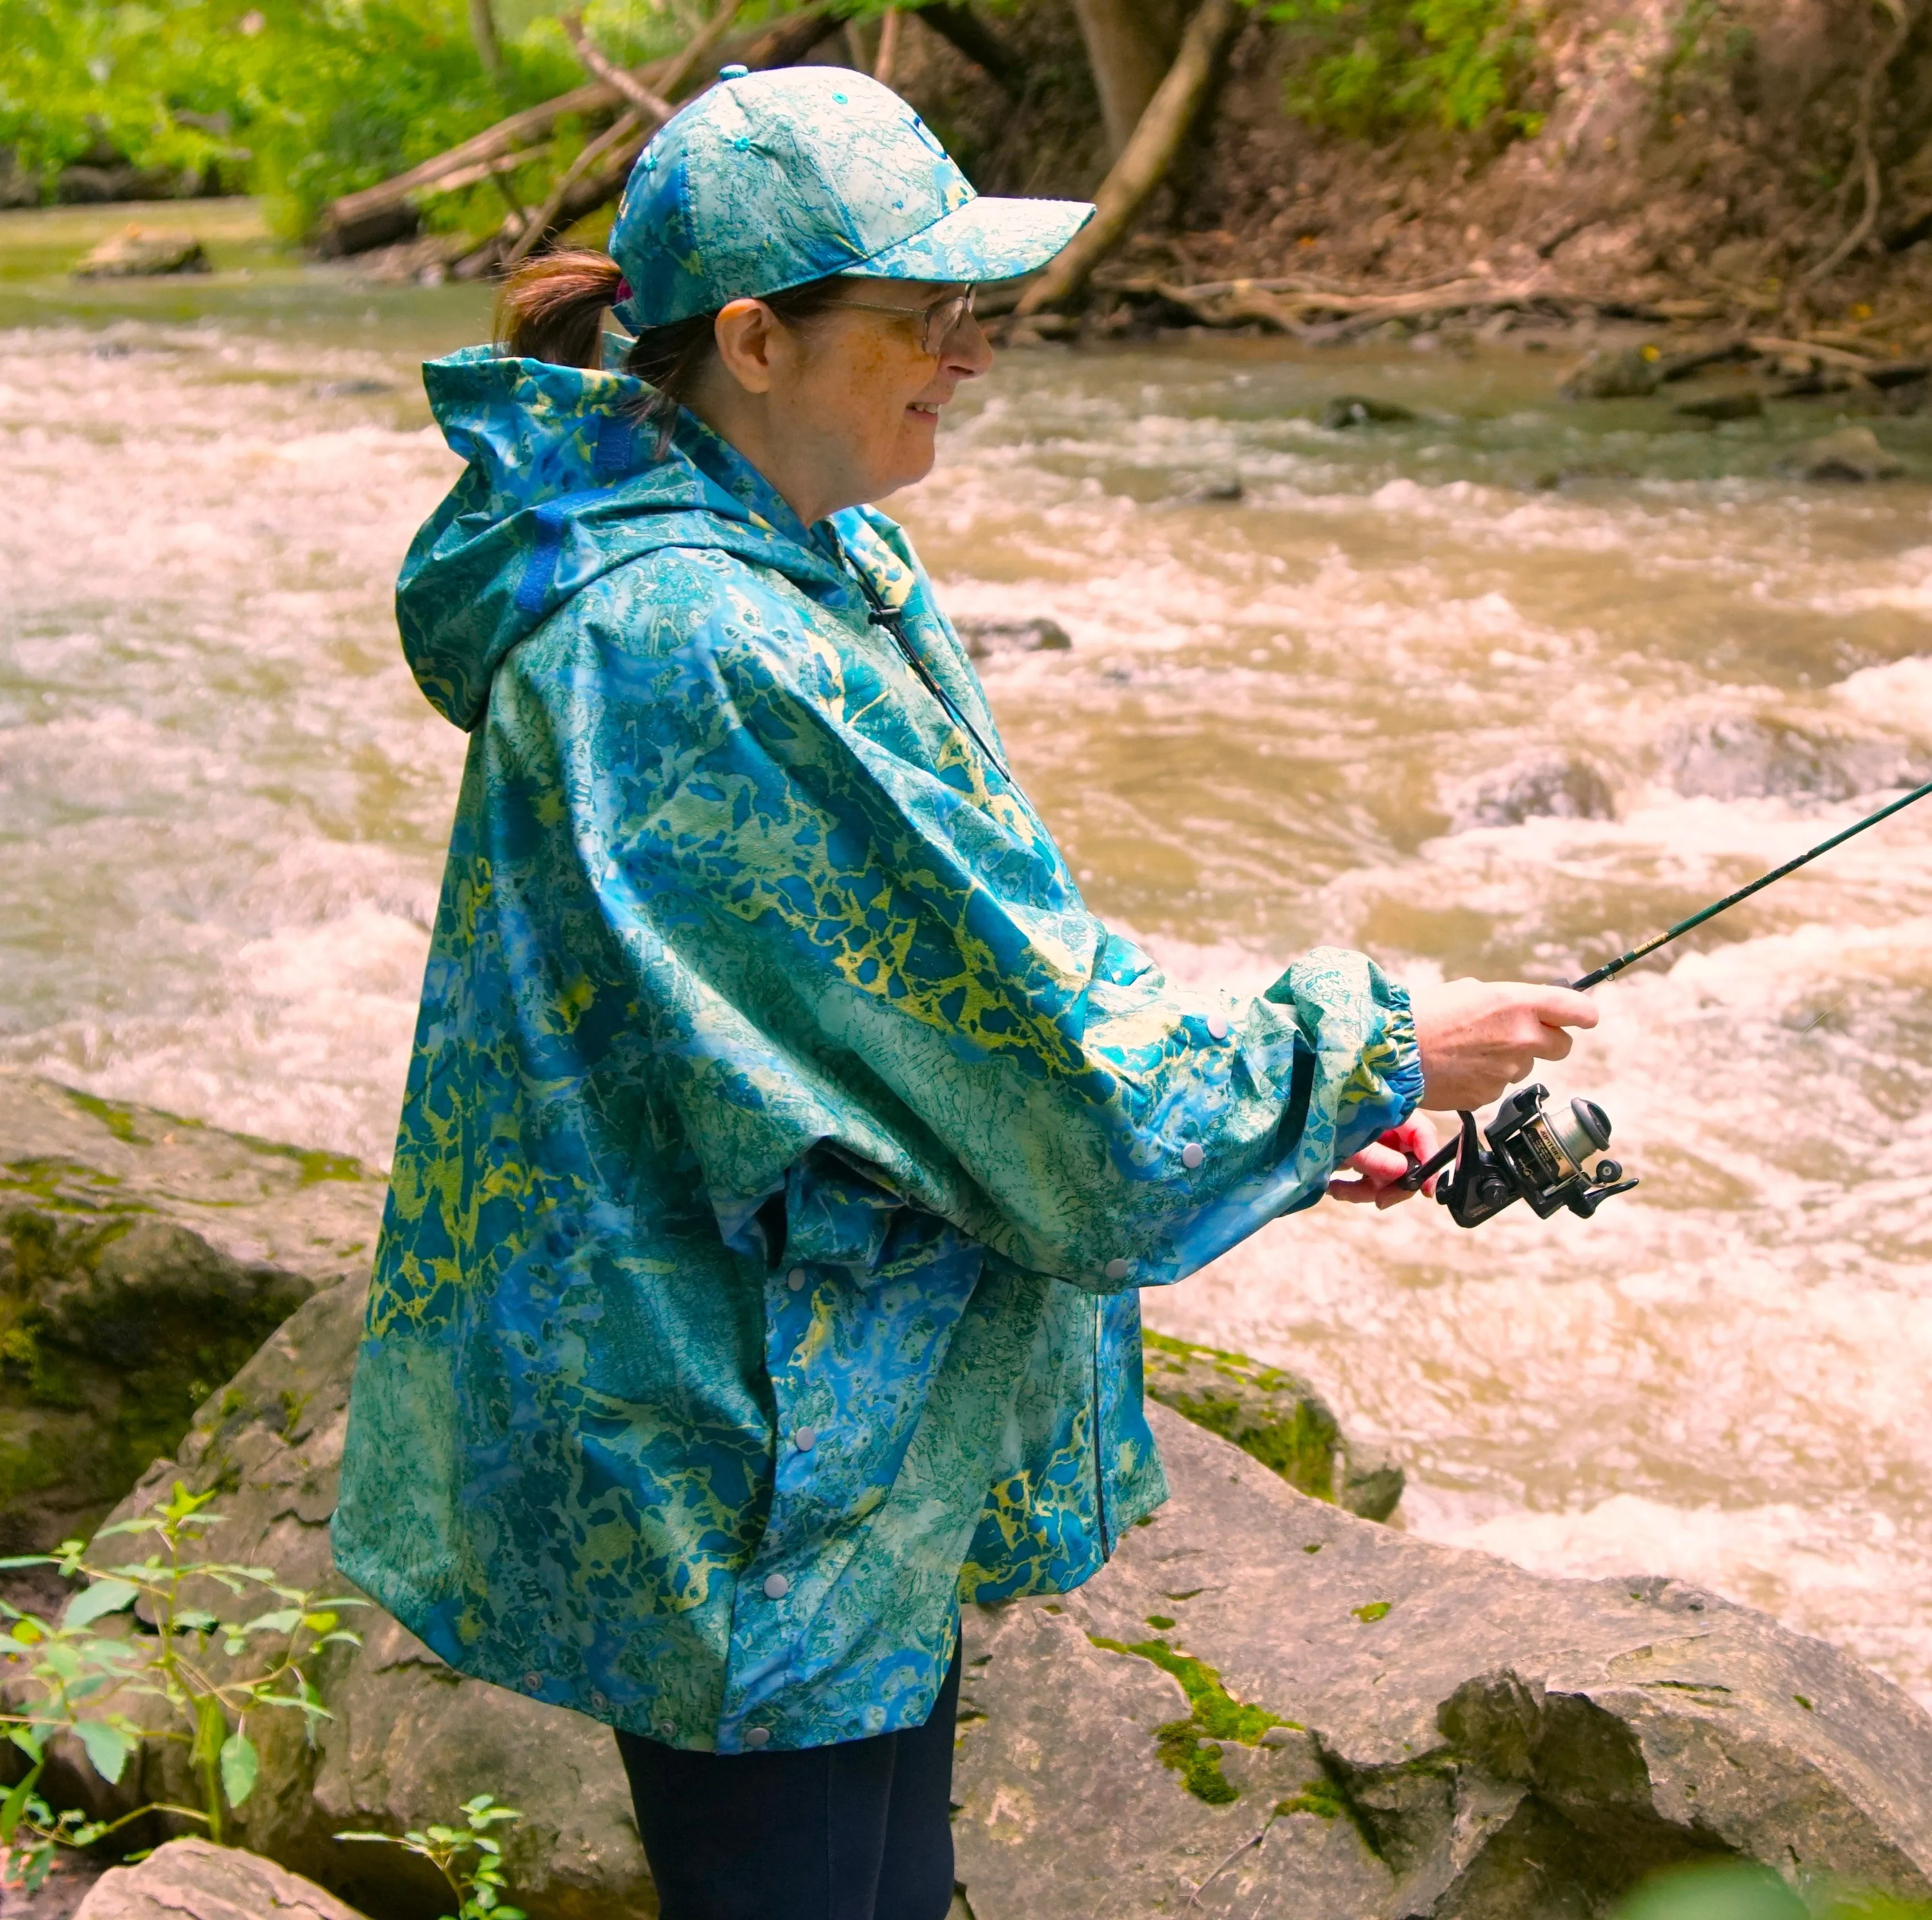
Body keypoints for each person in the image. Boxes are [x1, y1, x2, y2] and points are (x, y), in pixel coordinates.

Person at [330, 64, 1597, 1920]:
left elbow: (953, 1001)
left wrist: (1299, 1125)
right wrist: (1374, 1041)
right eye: (921, 318)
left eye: (974, 312)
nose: (969, 355)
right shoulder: (698, 643)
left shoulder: (812, 564)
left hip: (811, 1416)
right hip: (739, 1451)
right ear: (753, 340)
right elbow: (1052, 1086)